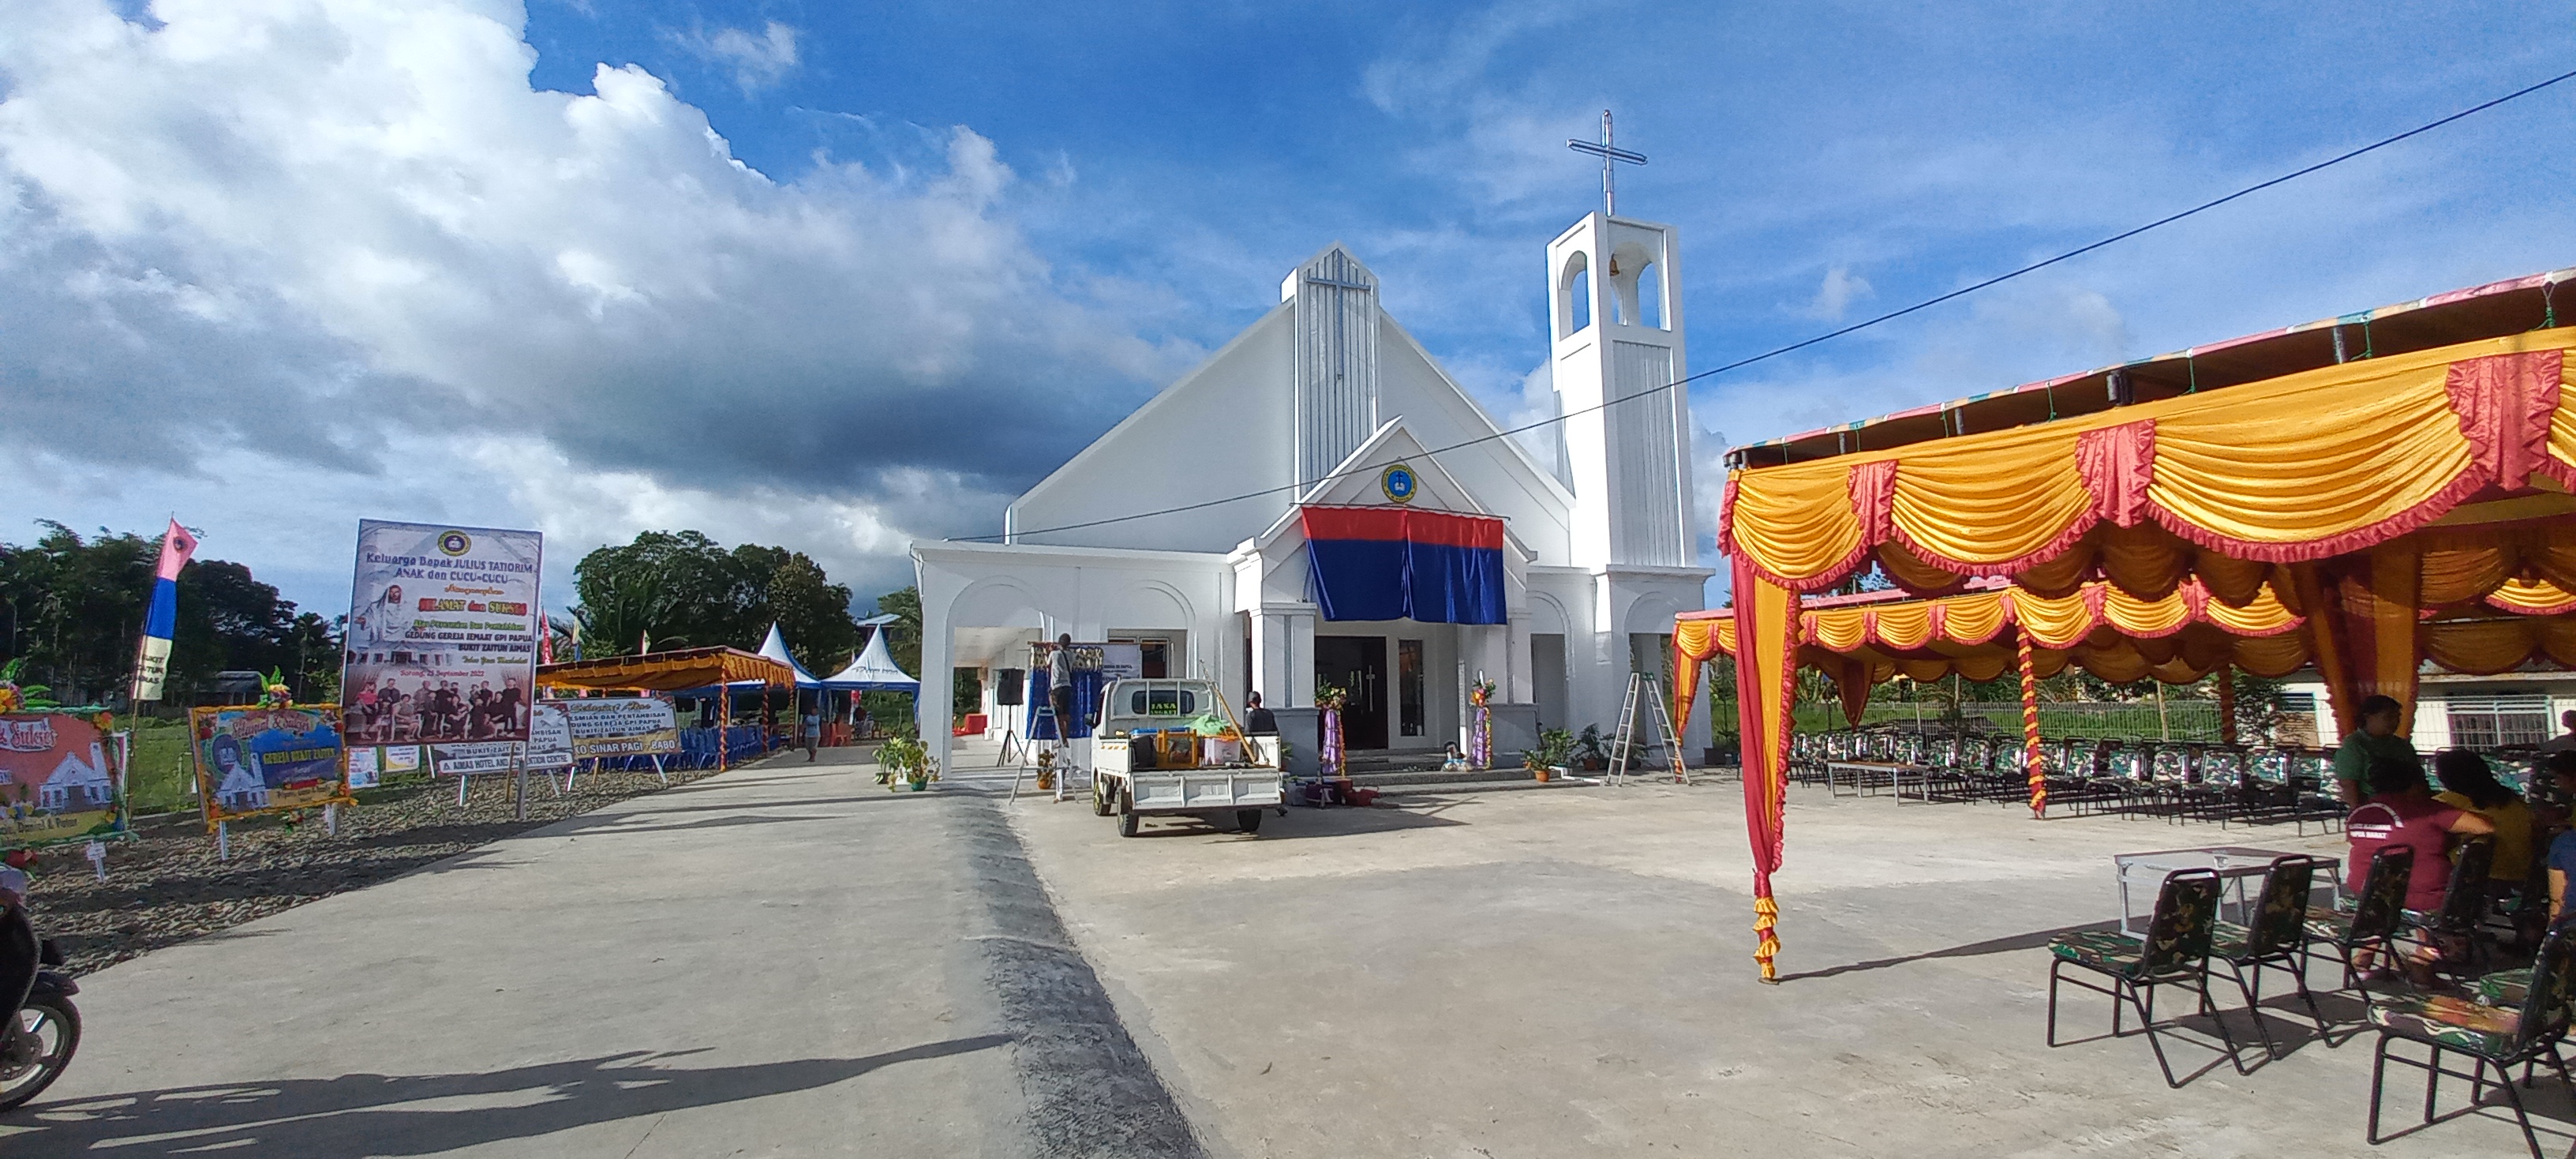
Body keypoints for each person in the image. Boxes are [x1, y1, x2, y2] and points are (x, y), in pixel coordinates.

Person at [2432, 748, 2537, 893]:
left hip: (2481, 886)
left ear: (2445, 777)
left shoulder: (2445, 803)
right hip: (2524, 882)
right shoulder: (2512, 800)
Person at [2332, 696, 2417, 807]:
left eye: (2398, 717)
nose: (2395, 722)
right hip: (2372, 806)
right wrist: (2359, 813)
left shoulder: (2402, 745)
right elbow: (2349, 785)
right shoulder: (2354, 744)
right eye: (2388, 717)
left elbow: (2417, 778)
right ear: (2368, 717)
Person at [1047, 634, 1078, 745]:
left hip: (1057, 687)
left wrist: (1050, 651)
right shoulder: (1071, 655)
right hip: (1067, 686)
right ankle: (1065, 737)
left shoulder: (1054, 654)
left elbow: (1047, 665)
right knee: (1066, 713)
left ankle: (1062, 738)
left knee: (1058, 714)